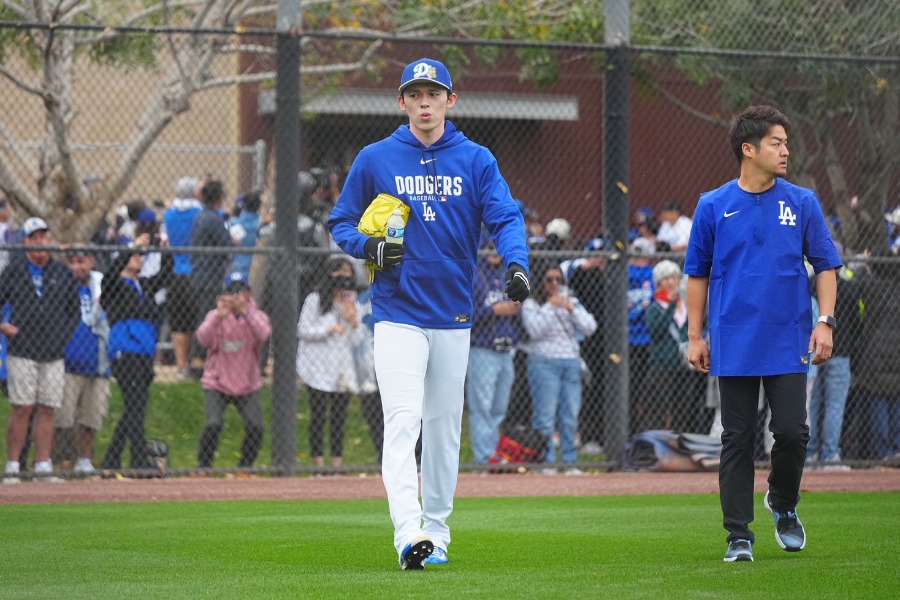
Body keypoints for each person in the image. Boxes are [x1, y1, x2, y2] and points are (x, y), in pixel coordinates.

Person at [327, 57, 530, 570]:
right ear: (402, 102)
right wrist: (368, 246)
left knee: (443, 429)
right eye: (415, 94)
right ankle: (408, 533)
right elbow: (342, 221)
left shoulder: (476, 158)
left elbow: (505, 216)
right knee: (402, 421)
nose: (424, 103)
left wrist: (517, 263)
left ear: (450, 100)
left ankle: (437, 532)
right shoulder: (375, 157)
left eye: (433, 94)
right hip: (397, 311)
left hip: (454, 314)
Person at [684, 105, 842, 562]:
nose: (785, 150)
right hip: (733, 338)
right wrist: (695, 336)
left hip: (789, 337)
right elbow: (697, 273)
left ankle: (783, 502)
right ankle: (738, 535)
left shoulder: (803, 202)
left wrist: (825, 321)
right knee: (736, 438)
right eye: (776, 142)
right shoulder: (712, 205)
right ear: (748, 149)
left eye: (786, 143)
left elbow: (826, 265)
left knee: (792, 432)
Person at [1, 218, 80, 483]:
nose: (40, 242)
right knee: (23, 407)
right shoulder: (13, 271)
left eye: (44, 237)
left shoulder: (61, 272)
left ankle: (43, 465)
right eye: (34, 238)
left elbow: (74, 312)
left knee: (48, 408)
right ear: (25, 242)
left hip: (52, 353)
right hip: (22, 350)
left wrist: (62, 338)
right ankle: (13, 465)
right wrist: (3, 325)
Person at [100, 234, 174, 473]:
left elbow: (166, 275)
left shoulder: (144, 285)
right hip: (125, 349)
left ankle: (111, 460)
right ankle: (139, 462)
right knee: (135, 405)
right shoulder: (114, 285)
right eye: (134, 256)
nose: (139, 258)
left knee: (135, 407)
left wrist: (165, 251)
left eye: (140, 256)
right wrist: (131, 247)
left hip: (144, 351)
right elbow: (111, 272)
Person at [521, 265, 597, 474]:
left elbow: (590, 327)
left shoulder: (571, 300)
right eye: (550, 280)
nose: (555, 284)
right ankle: (545, 461)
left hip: (571, 361)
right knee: (545, 417)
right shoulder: (532, 304)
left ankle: (569, 461)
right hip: (544, 361)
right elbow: (535, 331)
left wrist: (572, 309)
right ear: (541, 282)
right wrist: (551, 307)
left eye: (558, 280)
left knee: (570, 415)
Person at [195, 272, 271, 470]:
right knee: (214, 424)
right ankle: (204, 465)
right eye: (231, 291)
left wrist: (246, 313)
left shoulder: (257, 315)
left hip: (247, 383)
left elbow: (264, 334)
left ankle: (245, 466)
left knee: (256, 426)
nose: (235, 296)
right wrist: (218, 317)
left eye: (240, 291)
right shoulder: (215, 315)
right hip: (217, 381)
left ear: (248, 294)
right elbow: (203, 339)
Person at [296, 257, 362, 474]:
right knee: (318, 415)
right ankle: (319, 467)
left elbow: (356, 339)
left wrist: (353, 321)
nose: (343, 279)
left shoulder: (351, 303)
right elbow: (303, 330)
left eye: (347, 274)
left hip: (341, 368)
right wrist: (328, 329)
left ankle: (336, 467)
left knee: (338, 418)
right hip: (317, 366)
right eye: (339, 273)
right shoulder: (314, 300)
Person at [466, 235, 523, 465]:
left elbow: (517, 317)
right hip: (482, 349)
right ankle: (484, 457)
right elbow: (463, 315)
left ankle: (493, 453)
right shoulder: (474, 276)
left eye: (497, 247)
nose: (494, 252)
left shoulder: (505, 276)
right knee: (482, 406)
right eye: (489, 246)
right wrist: (493, 311)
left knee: (499, 407)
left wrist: (516, 310)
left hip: (506, 350)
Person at [55, 246, 111, 475]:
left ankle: (84, 460)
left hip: (98, 363)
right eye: (72, 262)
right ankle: (50, 462)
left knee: (91, 418)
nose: (76, 267)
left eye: (81, 261)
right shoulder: (60, 287)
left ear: (92, 261)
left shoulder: (102, 287)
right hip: (67, 363)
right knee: (61, 418)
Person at [643, 259, 708, 433]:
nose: (672, 282)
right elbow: (656, 331)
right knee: (659, 410)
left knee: (684, 411)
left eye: (674, 277)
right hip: (663, 368)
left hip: (684, 367)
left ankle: (681, 442)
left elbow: (701, 323)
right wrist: (671, 306)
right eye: (666, 278)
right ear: (659, 283)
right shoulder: (654, 307)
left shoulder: (686, 304)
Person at [855, 248, 900, 459]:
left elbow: (858, 280)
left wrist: (866, 263)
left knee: (879, 399)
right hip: (896, 351)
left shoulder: (872, 287)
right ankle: (896, 447)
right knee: (895, 402)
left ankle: (883, 451)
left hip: (875, 352)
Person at [190, 179, 233, 374]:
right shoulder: (213, 219)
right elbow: (227, 245)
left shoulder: (202, 216)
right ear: (220, 197)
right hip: (209, 275)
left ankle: (199, 359)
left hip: (200, 272)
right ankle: (198, 361)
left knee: (202, 315)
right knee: (206, 317)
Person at [162, 176, 202, 380]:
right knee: (195, 320)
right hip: (195, 272)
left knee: (178, 322)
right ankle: (195, 362)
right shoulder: (199, 213)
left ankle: (180, 366)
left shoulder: (169, 214)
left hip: (176, 272)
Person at [227, 191, 262, 281]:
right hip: (255, 267)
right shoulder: (260, 225)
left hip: (235, 266)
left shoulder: (233, 223)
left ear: (244, 205)